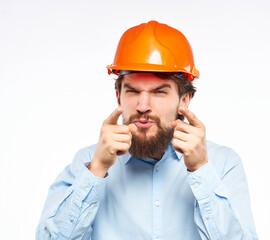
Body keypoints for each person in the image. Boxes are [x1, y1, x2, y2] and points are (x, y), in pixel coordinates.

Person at [36, 20, 258, 240]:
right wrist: (97, 170)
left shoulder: (222, 164)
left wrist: (200, 171)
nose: (143, 106)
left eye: (159, 92)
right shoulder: (87, 162)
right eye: (132, 91)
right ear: (118, 97)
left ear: (184, 100)